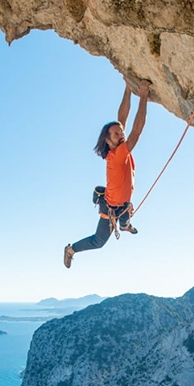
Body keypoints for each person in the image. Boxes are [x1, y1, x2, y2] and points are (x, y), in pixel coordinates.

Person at [64, 78, 150, 269]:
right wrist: (143, 96)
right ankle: (71, 249)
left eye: (121, 133)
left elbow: (122, 119)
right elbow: (136, 130)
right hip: (112, 208)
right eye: (117, 134)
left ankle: (125, 225)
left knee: (126, 215)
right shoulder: (118, 154)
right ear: (108, 141)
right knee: (99, 241)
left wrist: (128, 89)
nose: (122, 134)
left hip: (123, 204)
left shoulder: (117, 148)